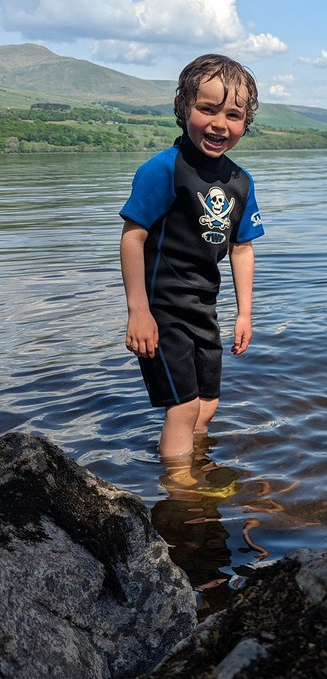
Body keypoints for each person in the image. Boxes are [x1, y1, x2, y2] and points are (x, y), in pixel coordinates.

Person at [119, 53, 265, 459]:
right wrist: (138, 312)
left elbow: (242, 247)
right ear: (184, 108)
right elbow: (133, 237)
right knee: (182, 407)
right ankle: (182, 491)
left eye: (233, 115)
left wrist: (244, 313)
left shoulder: (240, 181)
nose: (220, 123)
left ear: (244, 124)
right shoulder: (164, 169)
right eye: (207, 109)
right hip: (163, 309)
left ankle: (196, 461)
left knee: (207, 404)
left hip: (204, 307)